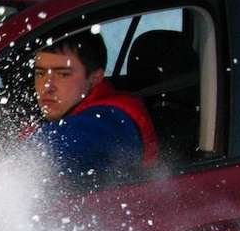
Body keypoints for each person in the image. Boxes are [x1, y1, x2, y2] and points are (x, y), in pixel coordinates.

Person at [28, 30, 159, 189]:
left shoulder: (113, 120)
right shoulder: (67, 107)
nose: (47, 86)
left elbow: (50, 149)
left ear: (95, 78)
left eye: (63, 74)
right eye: (40, 74)